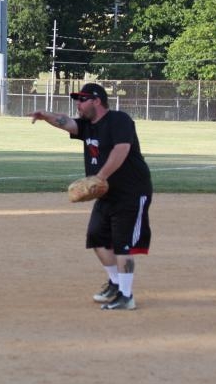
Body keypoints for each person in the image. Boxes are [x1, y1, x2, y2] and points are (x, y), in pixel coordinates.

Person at [29, 83, 153, 310]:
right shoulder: (87, 126)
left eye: (82, 99)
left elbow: (121, 149)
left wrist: (100, 177)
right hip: (106, 193)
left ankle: (127, 296)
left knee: (122, 244)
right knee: (97, 237)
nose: (78, 104)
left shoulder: (119, 120)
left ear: (97, 101)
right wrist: (45, 115)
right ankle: (116, 284)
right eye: (77, 100)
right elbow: (66, 122)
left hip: (131, 192)